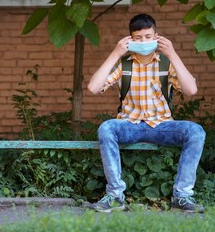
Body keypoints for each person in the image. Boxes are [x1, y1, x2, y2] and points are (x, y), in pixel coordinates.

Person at [87, 14, 205, 213]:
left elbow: (191, 90)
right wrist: (115, 53)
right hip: (129, 124)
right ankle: (115, 195)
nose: (144, 41)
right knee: (106, 128)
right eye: (138, 37)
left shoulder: (165, 64)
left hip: (162, 125)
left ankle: (182, 197)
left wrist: (173, 54)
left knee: (195, 132)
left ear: (156, 37)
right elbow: (93, 87)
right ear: (131, 40)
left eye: (148, 36)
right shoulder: (124, 65)